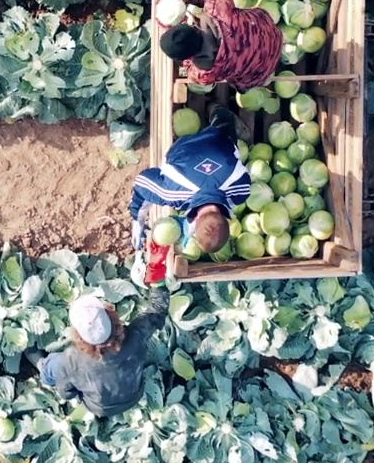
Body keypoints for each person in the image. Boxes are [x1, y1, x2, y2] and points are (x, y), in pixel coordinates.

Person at [128, 106, 250, 259]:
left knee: (228, 143)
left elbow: (240, 172)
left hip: (219, 139)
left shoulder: (241, 190)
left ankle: (221, 115)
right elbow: (142, 182)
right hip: (182, 147)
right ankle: (217, 119)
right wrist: (137, 220)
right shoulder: (173, 193)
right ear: (195, 220)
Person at [37, 286, 170, 417]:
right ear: (111, 317)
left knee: (51, 367)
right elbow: (158, 310)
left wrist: (77, 391)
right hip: (134, 395)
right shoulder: (136, 335)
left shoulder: (71, 360)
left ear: (78, 336)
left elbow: (65, 393)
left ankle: (38, 363)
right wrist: (158, 284)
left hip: (99, 408)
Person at [159, 0, 283, 90]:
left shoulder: (206, 72)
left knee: (240, 83)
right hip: (269, 32)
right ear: (191, 26)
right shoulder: (217, 9)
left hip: (263, 70)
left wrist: (187, 61)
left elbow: (192, 74)